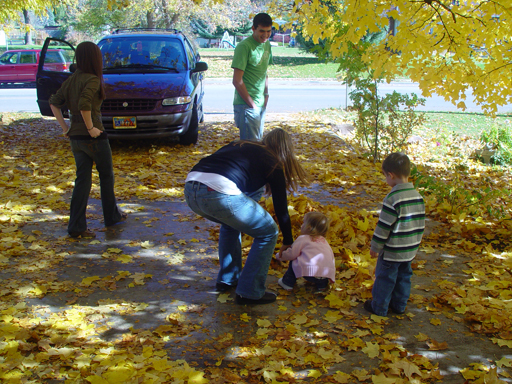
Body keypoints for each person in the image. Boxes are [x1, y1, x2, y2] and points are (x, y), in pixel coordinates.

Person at [184, 128, 308, 305]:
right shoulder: (273, 161)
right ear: (285, 150)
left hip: (191, 190)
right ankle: (249, 292)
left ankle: (228, 279)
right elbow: (281, 208)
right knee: (268, 232)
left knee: (231, 224)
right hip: (218, 192)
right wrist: (288, 241)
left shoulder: (240, 145)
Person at [49, 41, 126, 239]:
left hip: (75, 138)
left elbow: (54, 103)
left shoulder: (72, 79)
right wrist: (91, 128)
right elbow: (85, 104)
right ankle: (111, 216)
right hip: (94, 137)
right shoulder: (92, 79)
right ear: (94, 58)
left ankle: (76, 226)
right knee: (106, 176)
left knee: (82, 180)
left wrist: (66, 128)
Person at [364, 153, 425, 316]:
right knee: (404, 278)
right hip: (409, 250)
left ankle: (379, 307)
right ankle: (399, 305)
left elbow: (384, 227)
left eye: (385, 176)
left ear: (390, 175)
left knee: (385, 278)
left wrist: (376, 246)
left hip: (392, 251)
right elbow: (420, 224)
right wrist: (415, 244)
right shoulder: (418, 197)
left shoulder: (392, 199)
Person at [231, 12, 273, 140]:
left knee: (257, 148)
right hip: (246, 106)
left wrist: (266, 95)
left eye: (268, 31)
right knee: (250, 150)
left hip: (260, 105)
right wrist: (252, 105)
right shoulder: (244, 47)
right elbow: (237, 81)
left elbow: (264, 72)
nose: (265, 35)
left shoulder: (267, 44)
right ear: (253, 29)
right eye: (262, 31)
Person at [277, 212, 336, 292]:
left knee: (294, 259)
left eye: (303, 223)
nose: (302, 225)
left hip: (308, 273)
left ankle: (287, 282)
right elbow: (331, 256)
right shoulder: (324, 241)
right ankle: (322, 286)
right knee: (322, 267)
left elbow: (292, 254)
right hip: (325, 274)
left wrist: (280, 256)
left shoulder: (303, 238)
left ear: (309, 228)